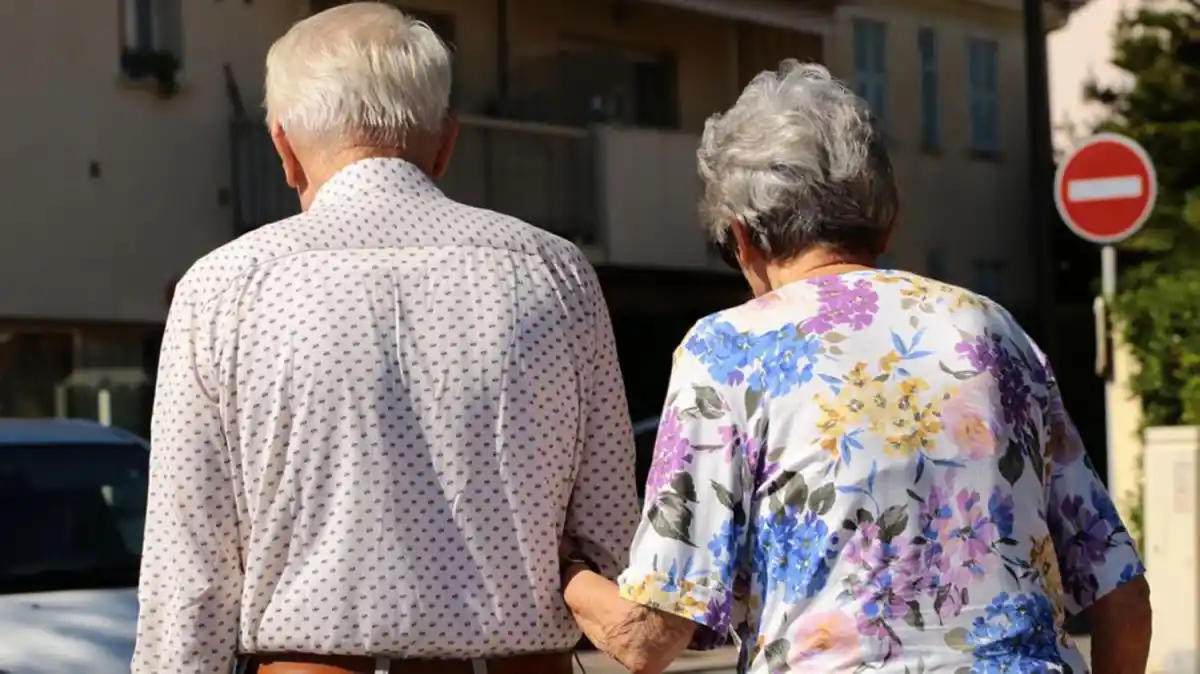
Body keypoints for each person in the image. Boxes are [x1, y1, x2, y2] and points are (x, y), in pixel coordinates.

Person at [559, 60, 1151, 674]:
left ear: (742, 237)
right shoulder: (996, 332)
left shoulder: (728, 349)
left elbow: (649, 636)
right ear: (888, 222)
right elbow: (1124, 602)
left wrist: (567, 570)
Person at [132, 4, 638, 673]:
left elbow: (190, 576)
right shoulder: (555, 275)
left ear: (284, 149)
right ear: (446, 140)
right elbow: (611, 543)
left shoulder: (223, 290)